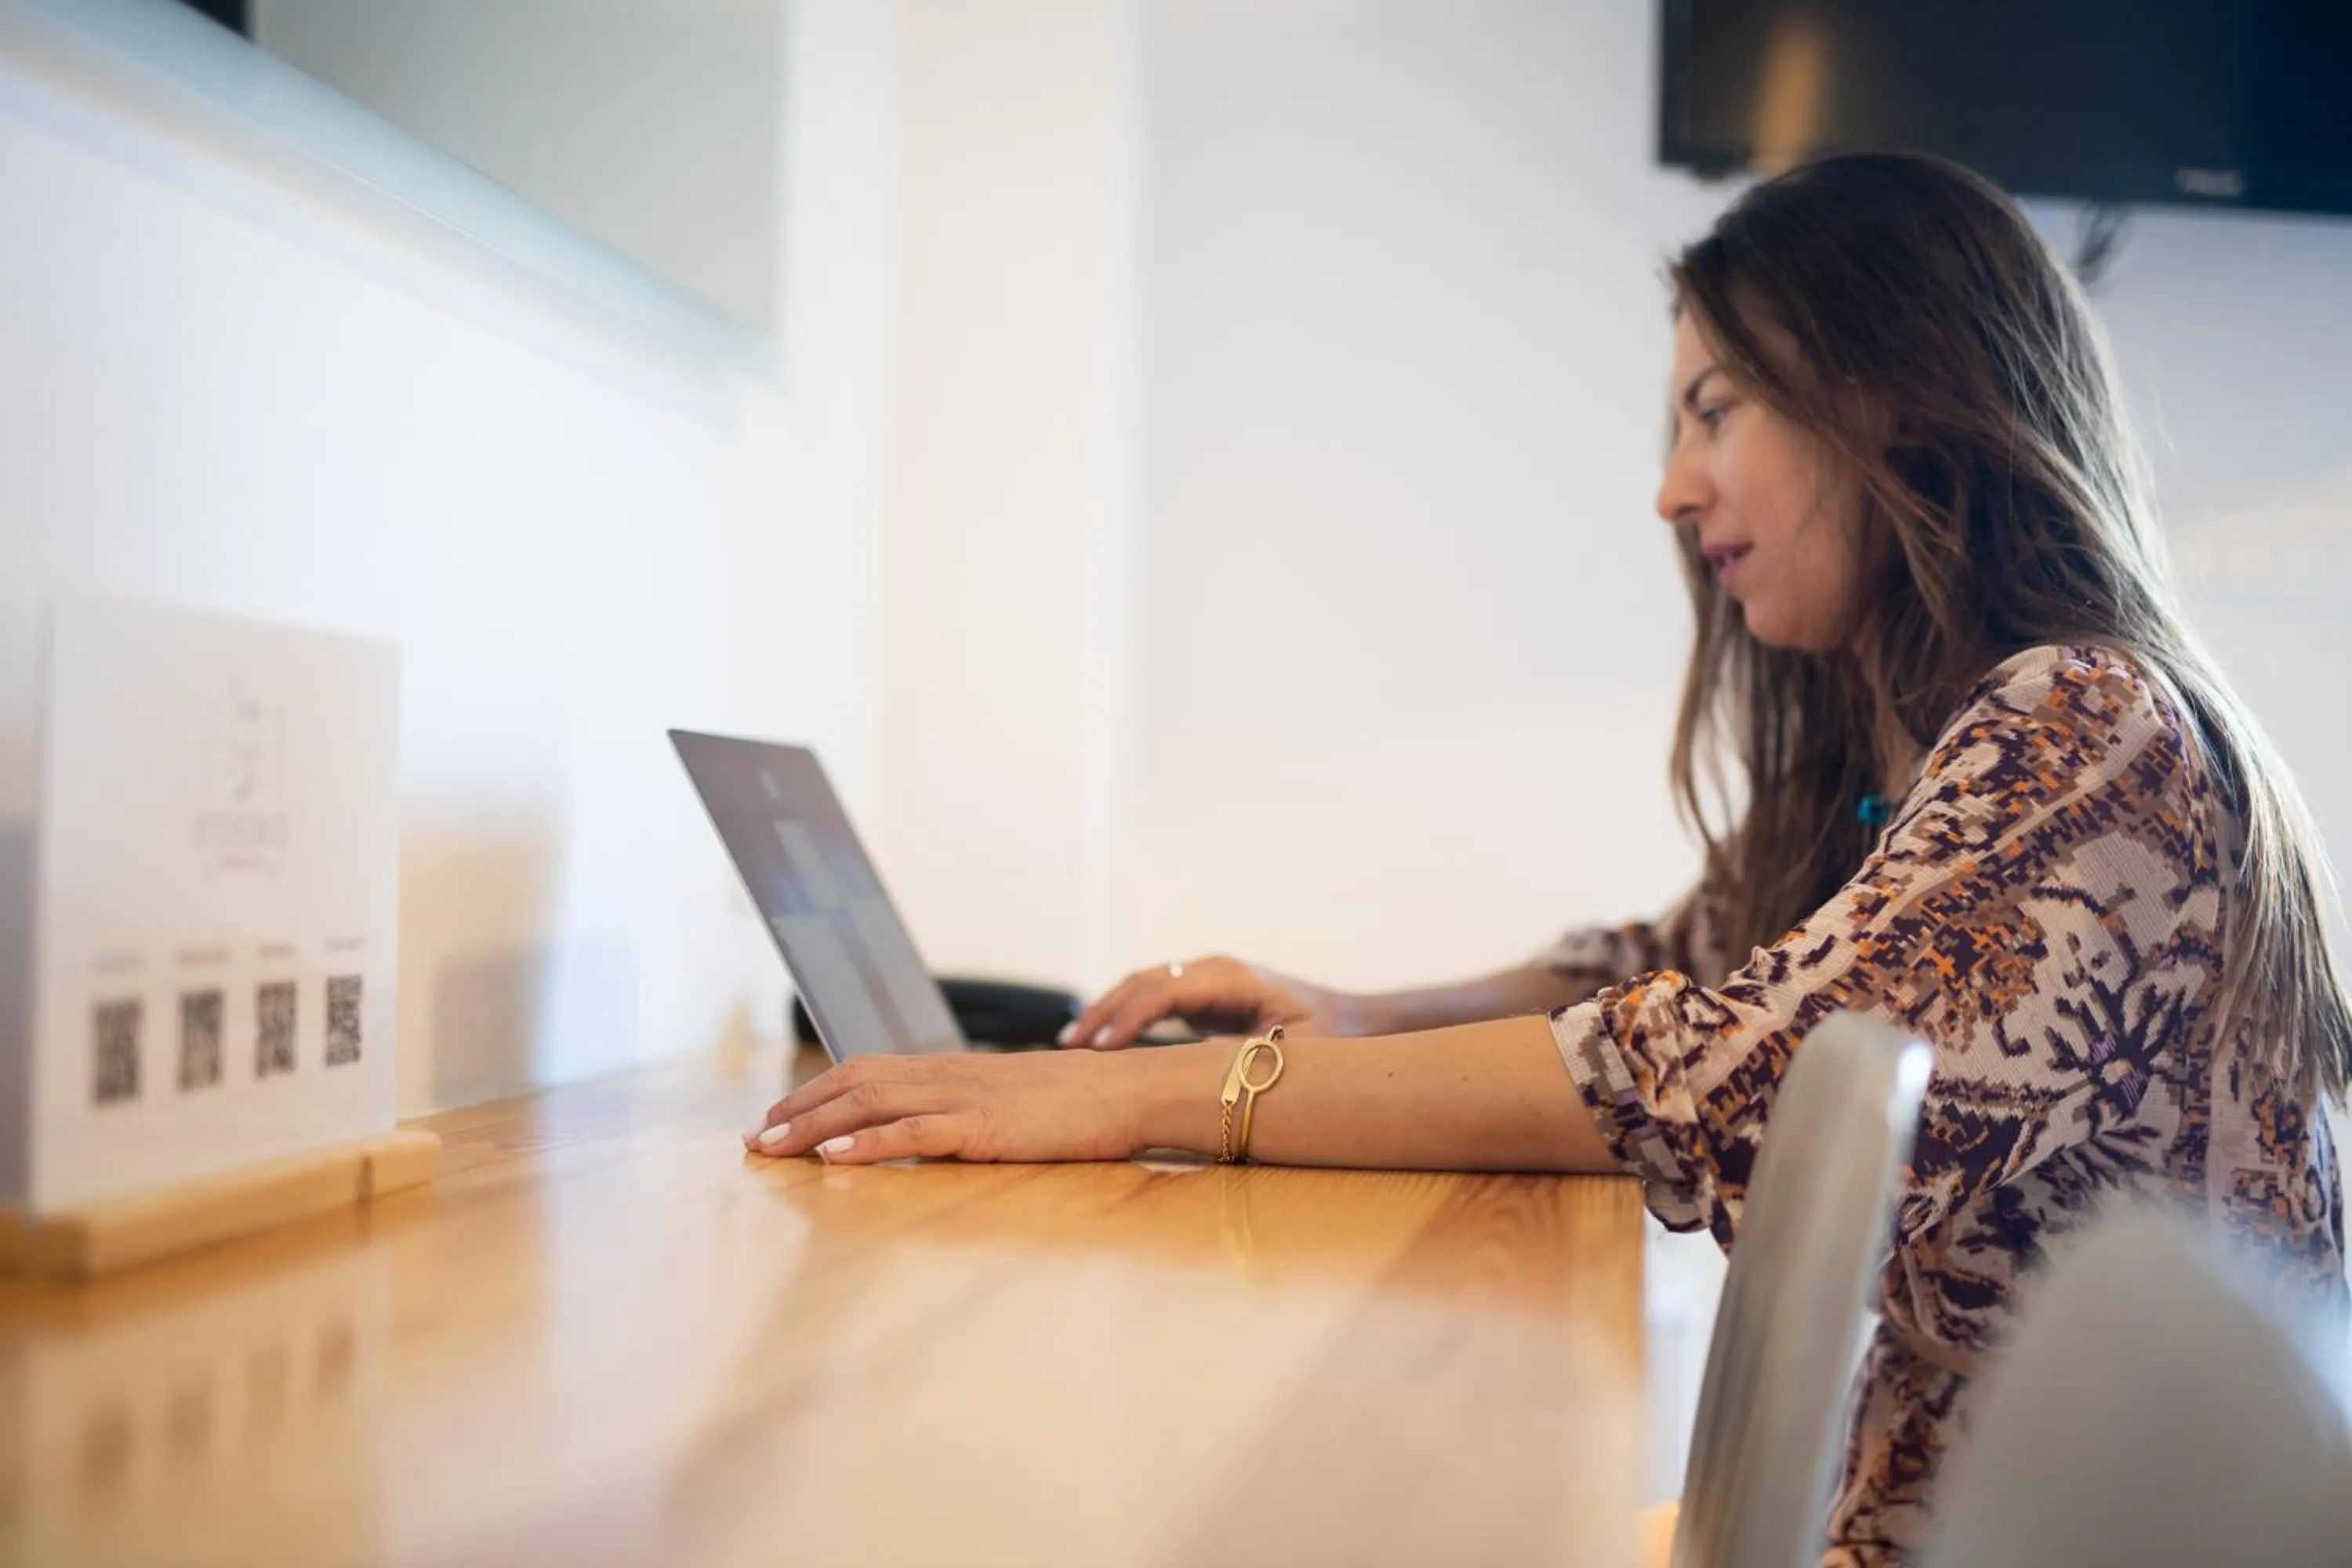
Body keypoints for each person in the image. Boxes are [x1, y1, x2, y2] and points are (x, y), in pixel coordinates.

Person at [743, 153, 2351, 1565]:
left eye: (1716, 410)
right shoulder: (1943, 743)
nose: (1672, 491)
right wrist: (1352, 1013)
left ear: (1898, 390)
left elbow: (1715, 1064)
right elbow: (1673, 950)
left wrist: (1129, 1099)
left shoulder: (2086, 732)